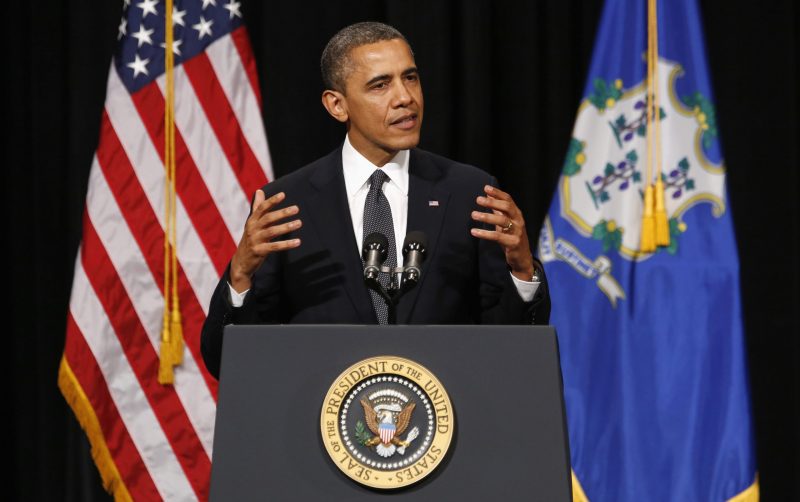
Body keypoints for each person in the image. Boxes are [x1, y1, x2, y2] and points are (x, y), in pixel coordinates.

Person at [201, 22, 550, 379]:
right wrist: (240, 275)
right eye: (381, 85)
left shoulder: (468, 192)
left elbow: (511, 346)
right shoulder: (289, 204)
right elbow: (227, 362)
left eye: (410, 78)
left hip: (446, 420)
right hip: (320, 424)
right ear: (337, 105)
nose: (405, 97)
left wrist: (522, 271)